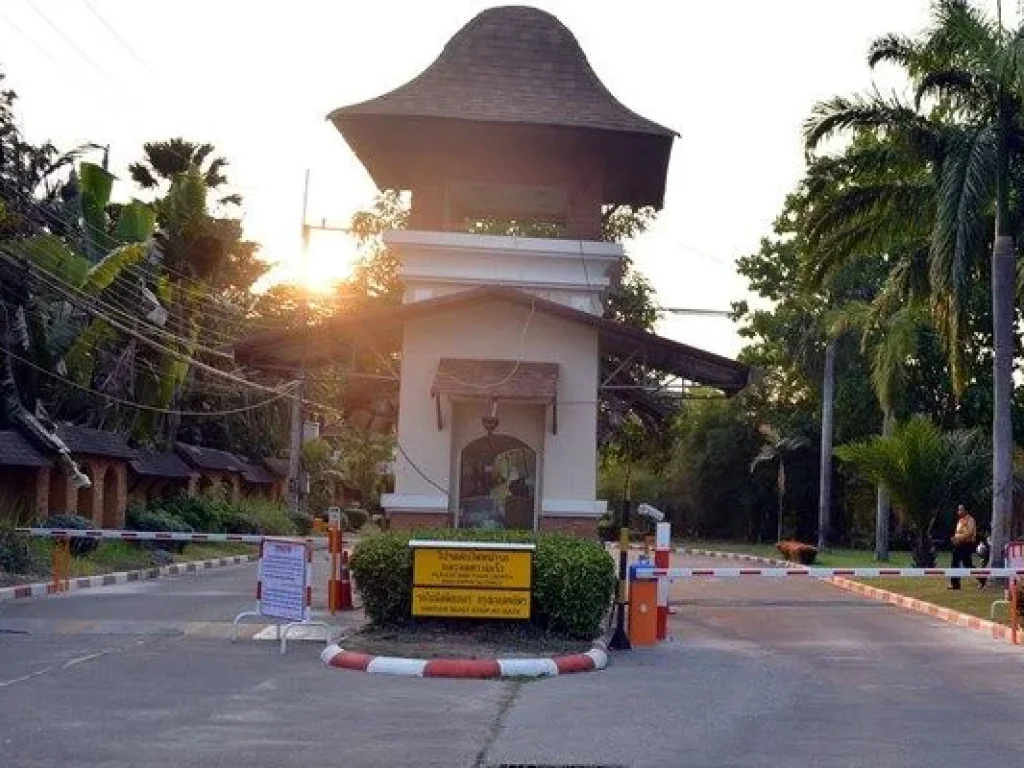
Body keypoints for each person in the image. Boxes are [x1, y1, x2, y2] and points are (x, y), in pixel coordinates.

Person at [948, 504, 977, 590]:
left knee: (966, 564)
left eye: (961, 510)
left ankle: (982, 578)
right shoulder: (960, 521)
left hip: (967, 544)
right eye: (958, 509)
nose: (959, 511)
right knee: (957, 562)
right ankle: (955, 584)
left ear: (966, 511)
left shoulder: (970, 520)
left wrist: (958, 537)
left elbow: (970, 532)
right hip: (960, 544)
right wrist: (954, 538)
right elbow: (957, 532)